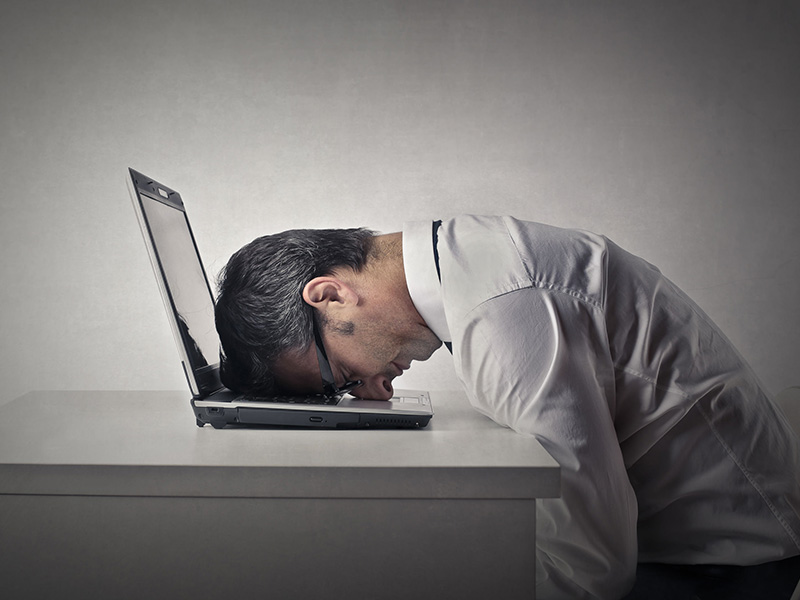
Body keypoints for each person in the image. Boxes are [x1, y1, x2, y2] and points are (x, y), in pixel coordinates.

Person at [214, 214, 800, 599]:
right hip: (706, 538)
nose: (355, 383)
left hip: (722, 566)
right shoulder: (469, 258)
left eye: (334, 373)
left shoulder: (502, 315)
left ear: (329, 294)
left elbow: (591, 570)